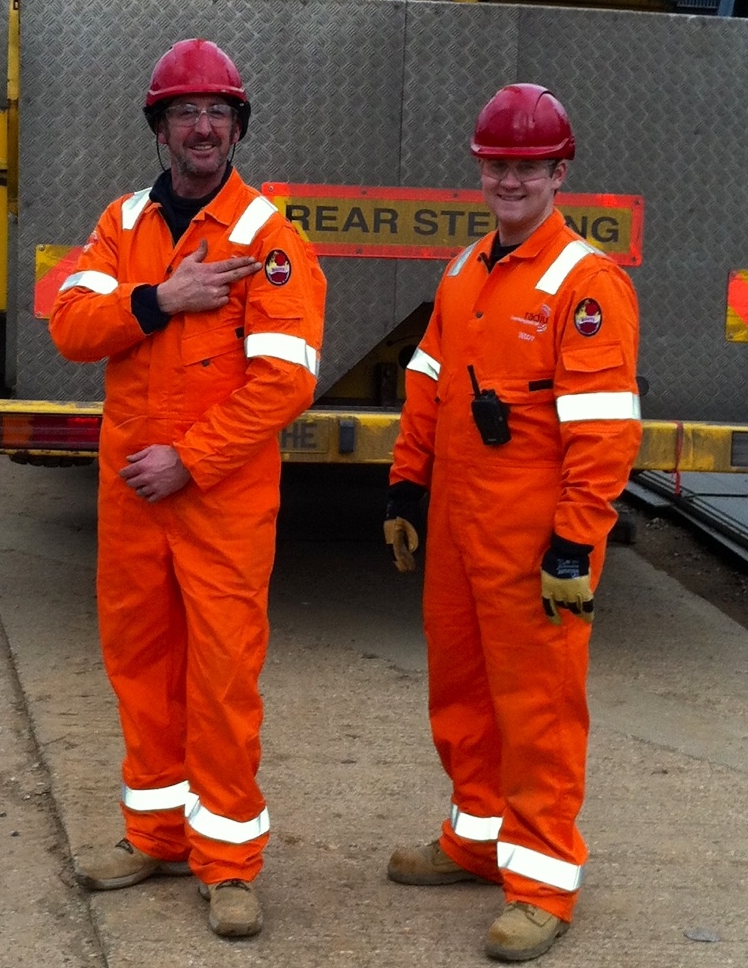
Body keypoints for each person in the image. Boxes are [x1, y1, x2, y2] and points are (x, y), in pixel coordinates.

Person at [49, 38, 326, 938]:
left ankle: (229, 864)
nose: (201, 127)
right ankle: (156, 835)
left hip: (216, 499)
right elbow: (71, 328)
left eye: (216, 112)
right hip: (135, 496)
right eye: (184, 113)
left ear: (237, 127)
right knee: (140, 667)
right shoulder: (122, 222)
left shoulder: (268, 238)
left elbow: (285, 381)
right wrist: (160, 299)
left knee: (221, 678)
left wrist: (191, 460)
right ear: (159, 128)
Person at [383, 83, 641, 961]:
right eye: (497, 164)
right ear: (481, 169)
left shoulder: (585, 283)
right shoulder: (466, 271)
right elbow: (429, 379)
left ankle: (542, 886)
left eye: (529, 166)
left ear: (560, 173)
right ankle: (476, 839)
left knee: (539, 713)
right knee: (460, 695)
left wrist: (574, 542)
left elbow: (603, 430)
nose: (511, 180)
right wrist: (406, 486)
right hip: (460, 527)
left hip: (536, 539)